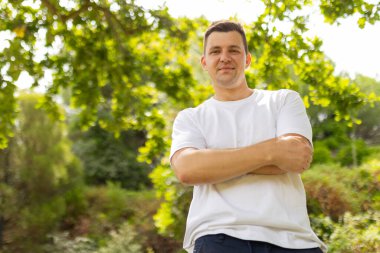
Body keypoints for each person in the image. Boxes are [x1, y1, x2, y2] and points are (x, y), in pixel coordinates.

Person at [169, 20, 327, 253]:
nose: (224, 57)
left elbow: (297, 157)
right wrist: (271, 152)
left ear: (248, 59)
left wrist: (214, 165)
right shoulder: (190, 118)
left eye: (233, 50)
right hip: (218, 236)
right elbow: (188, 170)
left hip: (293, 240)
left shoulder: (283, 100)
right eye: (215, 51)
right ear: (204, 62)